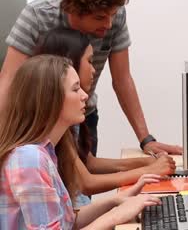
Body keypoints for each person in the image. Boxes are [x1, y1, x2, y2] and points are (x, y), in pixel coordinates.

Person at [0, 0, 182, 156]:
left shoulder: (114, 15)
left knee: (80, 182)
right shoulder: (37, 16)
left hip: (83, 115)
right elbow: (8, 80)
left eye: (111, 16)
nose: (109, 24)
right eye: (100, 18)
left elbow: (122, 79)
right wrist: (4, 144)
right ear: (73, 11)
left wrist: (146, 139)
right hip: (38, 121)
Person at [0, 55, 162, 229]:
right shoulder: (29, 159)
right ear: (50, 99)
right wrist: (116, 216)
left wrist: (116, 201)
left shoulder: (46, 152)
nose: (85, 96)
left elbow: (69, 222)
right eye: (75, 89)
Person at [34, 28, 176, 206]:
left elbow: (88, 162)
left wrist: (147, 163)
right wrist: (149, 170)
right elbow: (86, 182)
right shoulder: (49, 132)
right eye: (89, 61)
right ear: (69, 64)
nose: (94, 70)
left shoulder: (67, 120)